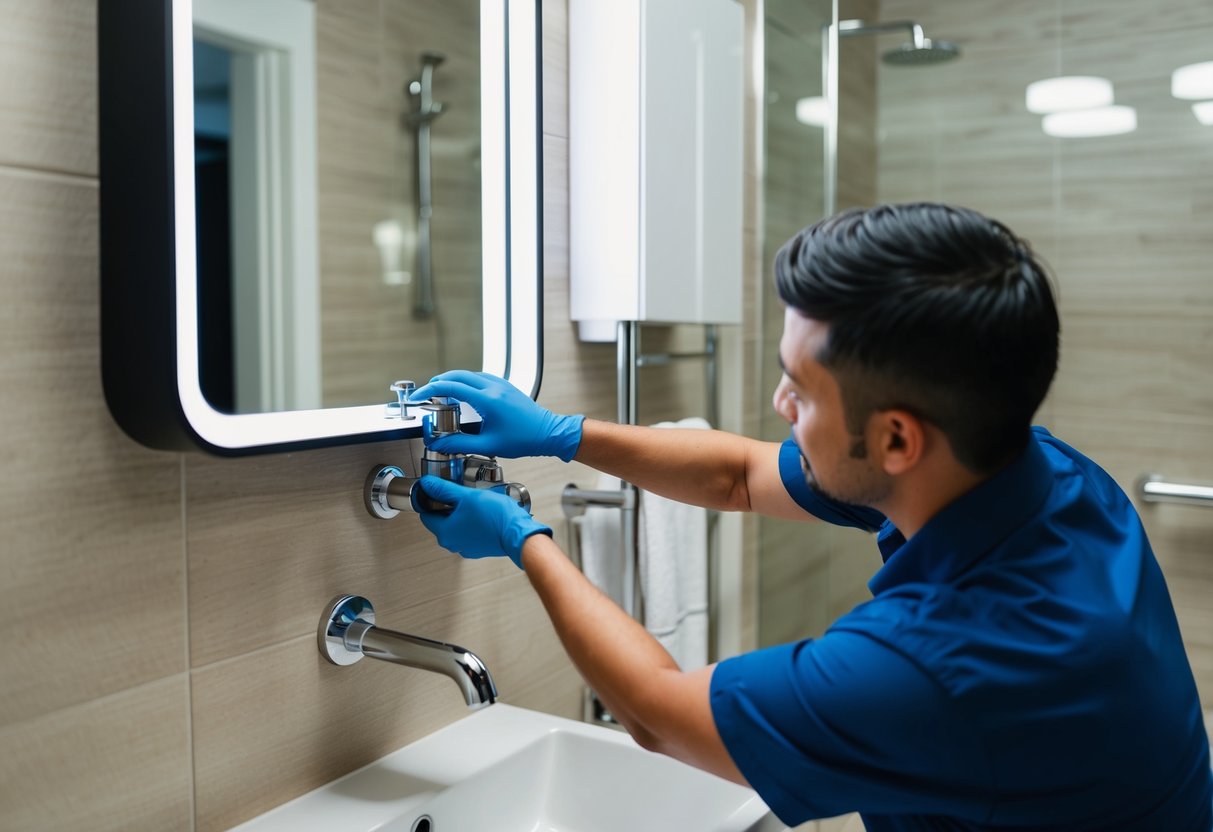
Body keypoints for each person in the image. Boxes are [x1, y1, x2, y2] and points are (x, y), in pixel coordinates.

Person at [406, 202, 1213, 831]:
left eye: (798, 385)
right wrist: (560, 434)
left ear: (897, 437)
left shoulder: (938, 666)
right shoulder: (1049, 474)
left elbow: (656, 714)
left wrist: (524, 540)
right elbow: (738, 476)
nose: (776, 402)